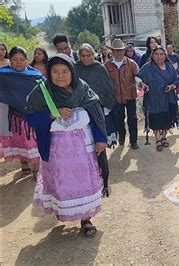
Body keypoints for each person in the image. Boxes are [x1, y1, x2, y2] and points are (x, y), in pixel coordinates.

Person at [25, 53, 106, 237]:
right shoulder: (42, 92)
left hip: (83, 148)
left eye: (65, 71)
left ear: (73, 72)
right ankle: (63, 209)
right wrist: (52, 114)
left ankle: (86, 219)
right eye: (55, 71)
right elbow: (30, 117)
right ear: (48, 73)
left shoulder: (82, 89)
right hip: (56, 150)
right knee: (61, 182)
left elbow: (96, 113)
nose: (60, 75)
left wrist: (101, 138)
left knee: (83, 180)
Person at [76, 43, 117, 196]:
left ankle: (105, 183)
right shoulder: (75, 69)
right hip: (79, 113)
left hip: (98, 111)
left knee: (100, 147)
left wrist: (105, 106)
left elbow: (107, 88)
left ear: (93, 55)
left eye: (89, 55)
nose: (86, 59)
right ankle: (87, 183)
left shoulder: (99, 68)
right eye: (83, 56)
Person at [0, 47, 41, 176]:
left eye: (22, 59)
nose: (18, 62)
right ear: (9, 60)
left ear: (27, 60)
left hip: (32, 114)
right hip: (12, 117)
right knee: (19, 140)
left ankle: (36, 167)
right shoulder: (3, 74)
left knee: (33, 140)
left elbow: (43, 94)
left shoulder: (35, 75)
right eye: (15, 59)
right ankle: (23, 162)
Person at [137, 46, 179, 151]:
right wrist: (143, 84)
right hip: (153, 98)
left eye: (161, 54)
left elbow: (176, 79)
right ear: (152, 55)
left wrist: (172, 86)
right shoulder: (147, 67)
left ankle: (164, 136)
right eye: (156, 54)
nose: (159, 56)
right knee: (156, 118)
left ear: (165, 56)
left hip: (168, 97)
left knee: (166, 118)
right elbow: (138, 78)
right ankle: (157, 138)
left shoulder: (169, 66)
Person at [104, 39, 142, 149]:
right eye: (116, 51)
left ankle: (133, 141)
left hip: (130, 96)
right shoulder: (107, 65)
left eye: (120, 50)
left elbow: (138, 77)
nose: (118, 53)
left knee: (132, 119)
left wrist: (140, 84)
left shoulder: (131, 63)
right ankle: (121, 136)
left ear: (123, 51)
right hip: (115, 97)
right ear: (112, 52)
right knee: (118, 120)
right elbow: (105, 81)